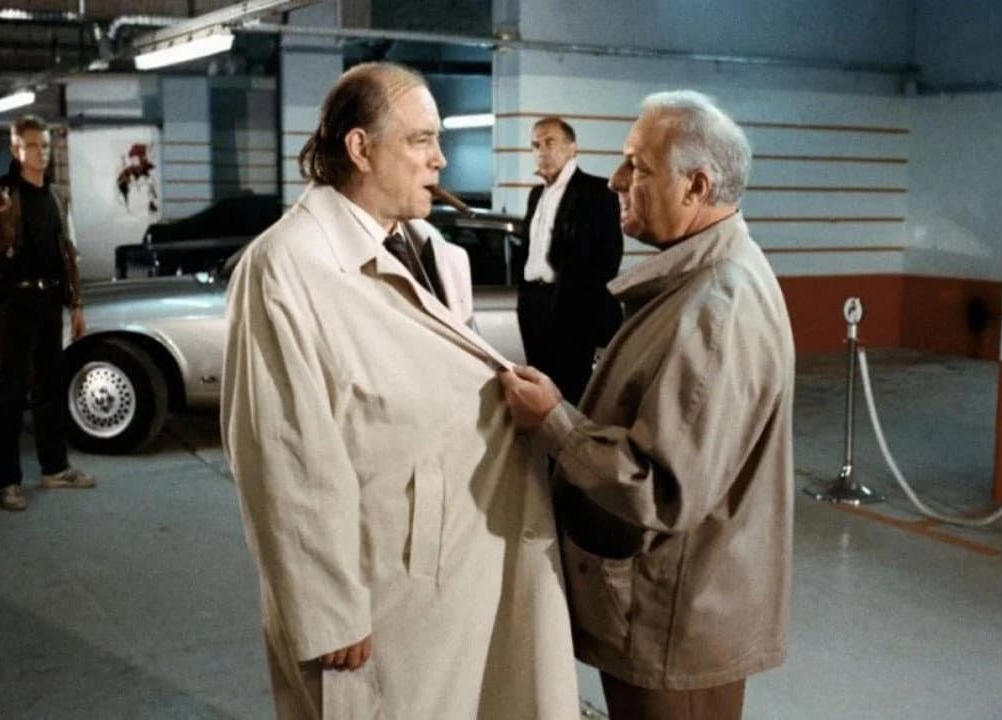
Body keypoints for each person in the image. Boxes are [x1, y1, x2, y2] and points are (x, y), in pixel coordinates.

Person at [219, 62, 577, 719]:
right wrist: (328, 610)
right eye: (421, 140)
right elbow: (281, 454)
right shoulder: (286, 267)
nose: (441, 159)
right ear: (360, 148)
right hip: (378, 587)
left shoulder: (430, 249)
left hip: (459, 569)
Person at [501, 91, 795, 720]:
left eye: (637, 166)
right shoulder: (705, 281)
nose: (616, 181)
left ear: (696, 186)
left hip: (676, 618)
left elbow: (660, 488)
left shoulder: (716, 309)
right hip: (675, 608)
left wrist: (555, 422)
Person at [0, 114, 95, 512]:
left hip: (49, 302)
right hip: (11, 304)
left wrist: (76, 304)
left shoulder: (56, 197)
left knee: (50, 389)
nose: (40, 153)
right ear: (15, 149)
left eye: (45, 145)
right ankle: (9, 481)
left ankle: (55, 469)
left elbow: (69, 254)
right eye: (32, 145)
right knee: (11, 394)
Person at [515, 116, 623, 403]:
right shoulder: (536, 194)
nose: (541, 151)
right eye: (536, 145)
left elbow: (608, 258)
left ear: (573, 147)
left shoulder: (597, 191)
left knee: (570, 393)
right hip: (534, 304)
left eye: (549, 142)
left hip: (572, 308)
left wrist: (586, 310)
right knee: (539, 387)